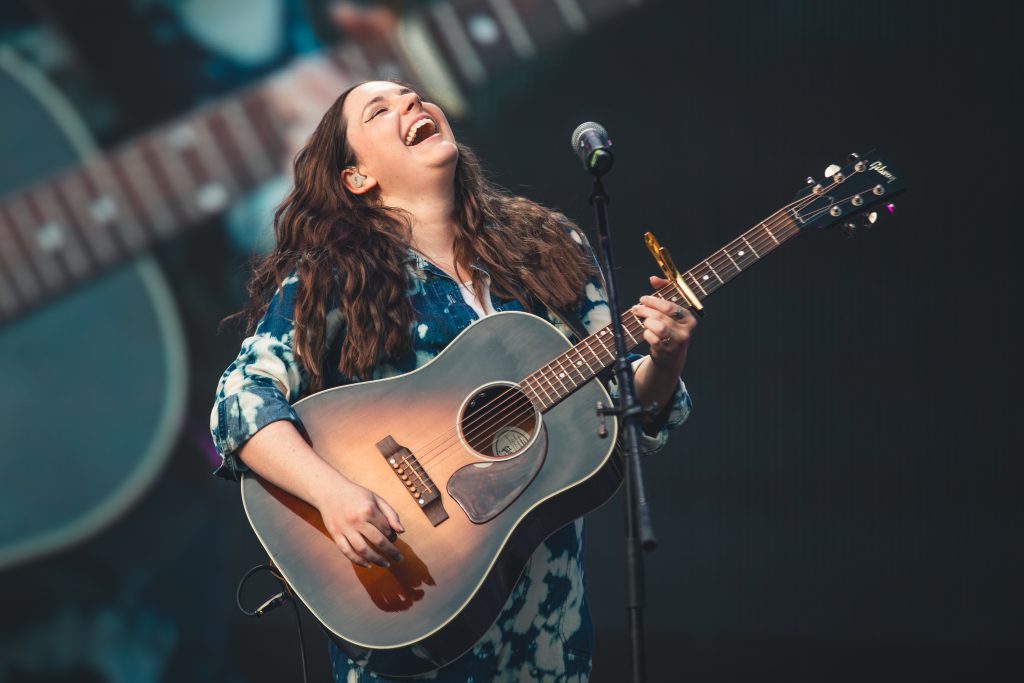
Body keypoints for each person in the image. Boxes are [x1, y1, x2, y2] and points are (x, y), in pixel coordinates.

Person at [209, 80, 696, 682]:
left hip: (546, 638)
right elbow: (240, 400)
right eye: (380, 110)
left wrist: (665, 361)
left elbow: (624, 417)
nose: (412, 104)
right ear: (357, 178)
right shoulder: (333, 275)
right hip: (406, 604)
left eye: (413, 95)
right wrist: (333, 497)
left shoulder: (549, 246)